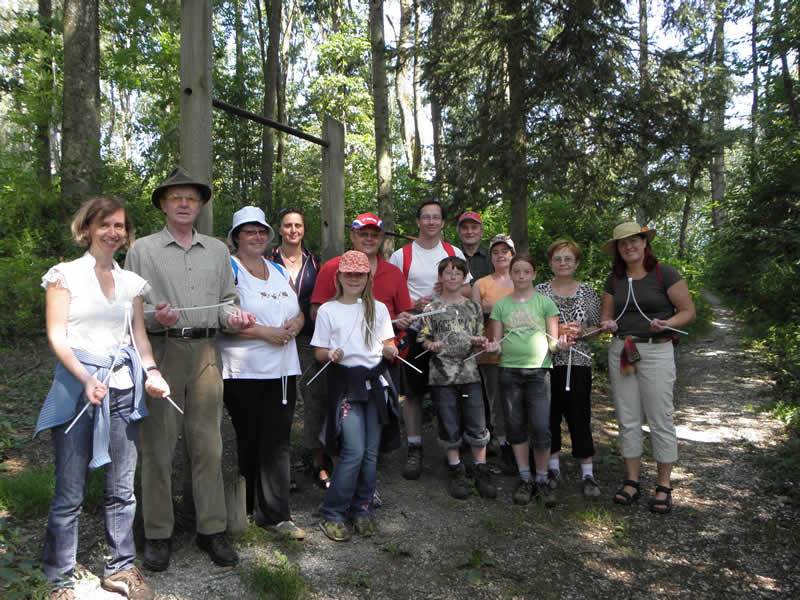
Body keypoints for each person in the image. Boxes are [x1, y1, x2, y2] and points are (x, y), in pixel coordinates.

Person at [35, 196, 170, 600]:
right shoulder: (64, 275)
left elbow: (139, 338)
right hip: (78, 390)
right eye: (105, 225)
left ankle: (120, 566)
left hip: (124, 391)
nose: (113, 232)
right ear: (88, 228)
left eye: (120, 226)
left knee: (122, 487)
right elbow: (58, 336)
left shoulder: (132, 283)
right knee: (70, 490)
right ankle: (58, 578)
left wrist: (153, 372)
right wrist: (84, 378)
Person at [124, 167, 256, 571]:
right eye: (176, 197)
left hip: (205, 353)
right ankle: (158, 534)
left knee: (208, 446)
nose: (184, 204)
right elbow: (129, 311)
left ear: (200, 206)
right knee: (158, 449)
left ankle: (211, 529)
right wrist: (154, 315)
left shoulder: (217, 251)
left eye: (191, 198)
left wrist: (233, 318)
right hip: (158, 355)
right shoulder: (141, 250)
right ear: (163, 204)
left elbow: (228, 300)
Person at [217, 206, 305, 539]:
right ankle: (251, 506)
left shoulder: (277, 269)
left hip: (283, 370)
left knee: (277, 441)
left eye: (261, 231)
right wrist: (265, 334)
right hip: (244, 370)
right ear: (237, 236)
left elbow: (296, 311)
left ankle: (276, 514)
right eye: (248, 231)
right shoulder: (229, 269)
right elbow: (220, 320)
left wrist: (296, 323)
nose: (256, 237)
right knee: (251, 438)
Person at [598, 222, 695, 514]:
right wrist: (607, 324)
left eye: (634, 241)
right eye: (623, 243)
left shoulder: (664, 273)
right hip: (624, 351)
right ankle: (632, 480)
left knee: (660, 416)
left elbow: (688, 311)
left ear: (644, 243)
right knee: (628, 416)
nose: (629, 247)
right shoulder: (614, 279)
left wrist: (668, 323)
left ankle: (664, 484)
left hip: (657, 351)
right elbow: (606, 318)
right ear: (617, 248)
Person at [310, 251, 400, 541]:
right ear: (338, 277)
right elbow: (319, 351)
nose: (353, 278)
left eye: (359, 274)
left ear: (367, 278)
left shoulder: (380, 309)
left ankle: (362, 509)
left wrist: (391, 350)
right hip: (347, 385)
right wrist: (330, 354)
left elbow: (388, 344)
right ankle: (333, 512)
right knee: (354, 451)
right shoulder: (327, 310)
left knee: (371, 453)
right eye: (348, 273)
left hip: (375, 384)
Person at [388, 199, 469, 480]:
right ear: (418, 222)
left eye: (436, 217)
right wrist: (415, 303)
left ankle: (452, 452)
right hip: (414, 332)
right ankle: (414, 446)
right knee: (412, 394)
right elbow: (391, 296)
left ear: (443, 222)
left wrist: (446, 293)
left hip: (449, 333)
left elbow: (468, 290)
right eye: (426, 217)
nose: (431, 222)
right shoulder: (402, 255)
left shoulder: (453, 252)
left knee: (449, 394)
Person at [486, 255, 573, 505]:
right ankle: (525, 478)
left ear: (534, 275)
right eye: (517, 271)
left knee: (540, 427)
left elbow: (553, 343)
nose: (522, 276)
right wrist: (492, 347)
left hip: (539, 372)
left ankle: (543, 478)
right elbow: (498, 345)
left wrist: (563, 345)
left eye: (527, 271)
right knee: (514, 426)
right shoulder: (501, 305)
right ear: (511, 275)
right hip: (509, 372)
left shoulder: (545, 303)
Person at [419, 257, 494, 500]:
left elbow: (479, 336)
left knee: (476, 420)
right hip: (442, 375)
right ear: (440, 277)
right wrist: (431, 344)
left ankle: (480, 468)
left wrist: (480, 342)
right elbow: (423, 337)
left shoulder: (472, 307)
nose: (452, 277)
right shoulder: (432, 309)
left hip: (469, 373)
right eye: (448, 273)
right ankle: (456, 469)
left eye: (457, 273)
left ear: (464, 278)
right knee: (449, 421)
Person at [535, 240, 602, 498]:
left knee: (579, 415)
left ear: (576, 263)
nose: (563, 263)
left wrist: (581, 331)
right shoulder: (539, 290)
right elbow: (532, 325)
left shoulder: (588, 292)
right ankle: (553, 468)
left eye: (568, 259)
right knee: (550, 415)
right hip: (547, 360)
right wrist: (555, 331)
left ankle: (587, 472)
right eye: (557, 258)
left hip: (579, 362)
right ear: (550, 263)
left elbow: (596, 328)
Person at [267, 208, 325, 490]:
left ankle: (318, 460)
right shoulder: (266, 259)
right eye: (288, 225)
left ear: (304, 229)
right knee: (280, 402)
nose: (293, 230)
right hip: (273, 338)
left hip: (307, 339)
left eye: (298, 225)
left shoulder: (315, 261)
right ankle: (281, 468)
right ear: (279, 229)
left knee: (314, 398)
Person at [472, 234, 516, 474]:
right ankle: (499, 446)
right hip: (489, 351)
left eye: (505, 251)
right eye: (496, 252)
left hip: (519, 352)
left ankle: (517, 445)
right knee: (495, 400)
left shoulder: (521, 281)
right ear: (491, 257)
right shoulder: (481, 283)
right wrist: (484, 311)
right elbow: (474, 318)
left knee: (516, 400)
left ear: (512, 255)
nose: (501, 255)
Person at [457, 211, 494, 284]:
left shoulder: (492, 256)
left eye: (474, 227)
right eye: (464, 228)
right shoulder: (452, 255)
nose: (469, 231)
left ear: (482, 232)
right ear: (459, 232)